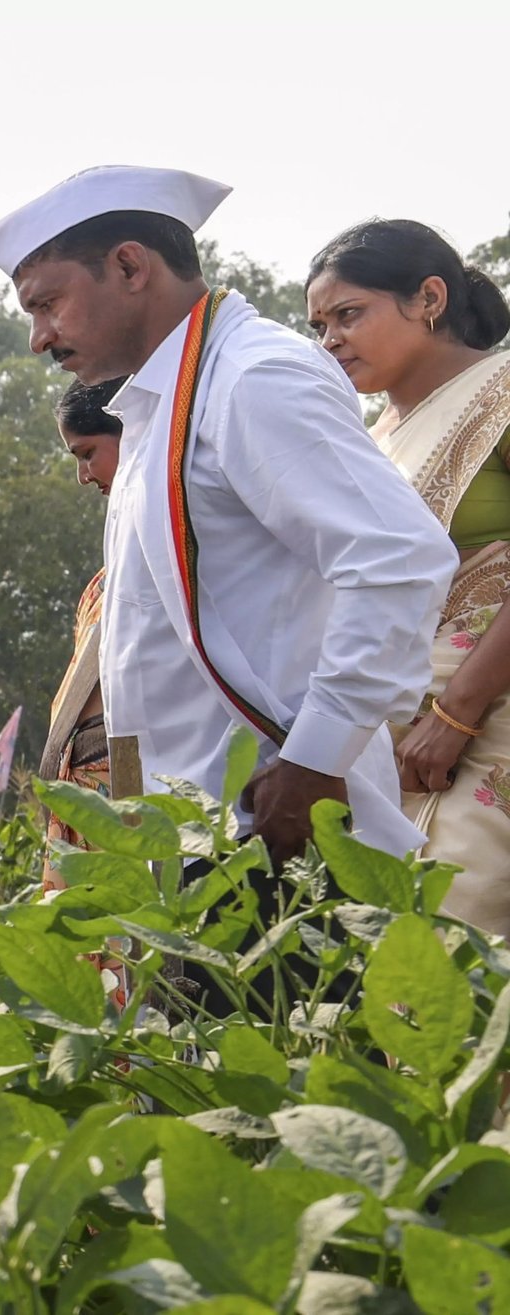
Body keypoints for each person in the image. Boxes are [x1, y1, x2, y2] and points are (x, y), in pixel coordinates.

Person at [0, 167, 455, 884]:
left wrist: (314, 760)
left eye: (48, 303)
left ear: (130, 266)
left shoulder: (252, 376)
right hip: (196, 835)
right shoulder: (161, 401)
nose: (38, 338)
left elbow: (399, 561)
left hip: (272, 828)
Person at [306, 219, 510, 930]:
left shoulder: (503, 389)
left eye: (348, 314)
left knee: (461, 946)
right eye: (319, 326)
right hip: (393, 741)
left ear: (429, 298)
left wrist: (456, 714)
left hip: (486, 718)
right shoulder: (368, 440)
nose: (330, 340)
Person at [40, 376, 126, 888]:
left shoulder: (179, 550)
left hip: (130, 786)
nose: (82, 476)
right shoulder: (102, 581)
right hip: (82, 785)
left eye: (88, 453)